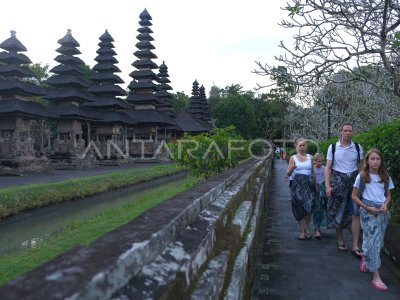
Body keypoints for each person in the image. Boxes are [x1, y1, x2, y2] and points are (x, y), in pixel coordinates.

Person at [351, 149, 394, 291]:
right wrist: (366, 207)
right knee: (374, 241)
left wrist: (385, 205)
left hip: (381, 211)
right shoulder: (362, 176)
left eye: (378, 159)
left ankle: (366, 256)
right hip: (367, 210)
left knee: (377, 241)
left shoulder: (385, 176)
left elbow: (388, 195)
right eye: (373, 159)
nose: (375, 161)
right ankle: (376, 276)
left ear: (381, 161)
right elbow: (354, 196)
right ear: (367, 161)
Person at [325, 122, 364, 256]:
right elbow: (328, 168)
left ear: (353, 132)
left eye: (350, 131)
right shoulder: (333, 147)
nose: (348, 133)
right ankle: (340, 239)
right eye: (345, 130)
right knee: (339, 212)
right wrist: (328, 186)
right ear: (341, 132)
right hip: (338, 183)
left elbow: (361, 169)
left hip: (354, 185)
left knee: (355, 213)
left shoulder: (358, 148)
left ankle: (355, 245)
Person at [287, 138, 316, 240]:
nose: (302, 147)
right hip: (297, 185)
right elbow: (288, 173)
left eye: (304, 145)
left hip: (308, 185)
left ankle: (307, 228)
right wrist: (292, 168)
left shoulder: (311, 157)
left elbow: (313, 173)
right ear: (297, 147)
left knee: (309, 207)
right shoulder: (293, 158)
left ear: (306, 146)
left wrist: (315, 185)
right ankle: (302, 232)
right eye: (300, 145)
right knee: (299, 208)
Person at [312, 153, 327, 239]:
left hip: (323, 191)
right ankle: (316, 228)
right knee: (316, 210)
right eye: (319, 161)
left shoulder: (324, 169)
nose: (321, 163)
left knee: (322, 209)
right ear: (314, 161)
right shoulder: (312, 170)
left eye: (322, 161)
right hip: (315, 191)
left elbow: (326, 179)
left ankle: (319, 227)